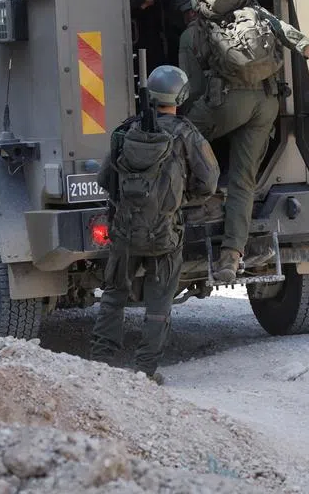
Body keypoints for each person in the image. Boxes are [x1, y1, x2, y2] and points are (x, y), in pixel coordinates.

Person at [180, 0, 309, 284]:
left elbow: (191, 91)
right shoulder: (256, 14)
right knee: (244, 181)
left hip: (225, 104)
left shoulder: (194, 32)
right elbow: (296, 39)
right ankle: (231, 257)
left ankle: (206, 200)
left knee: (177, 139)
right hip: (266, 104)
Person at [89, 65, 219, 384]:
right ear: (181, 96)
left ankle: (100, 362)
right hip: (165, 233)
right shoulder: (186, 133)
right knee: (159, 300)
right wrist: (176, 199)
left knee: (114, 293)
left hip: (124, 230)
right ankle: (145, 370)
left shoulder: (124, 131)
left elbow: (106, 179)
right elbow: (209, 181)